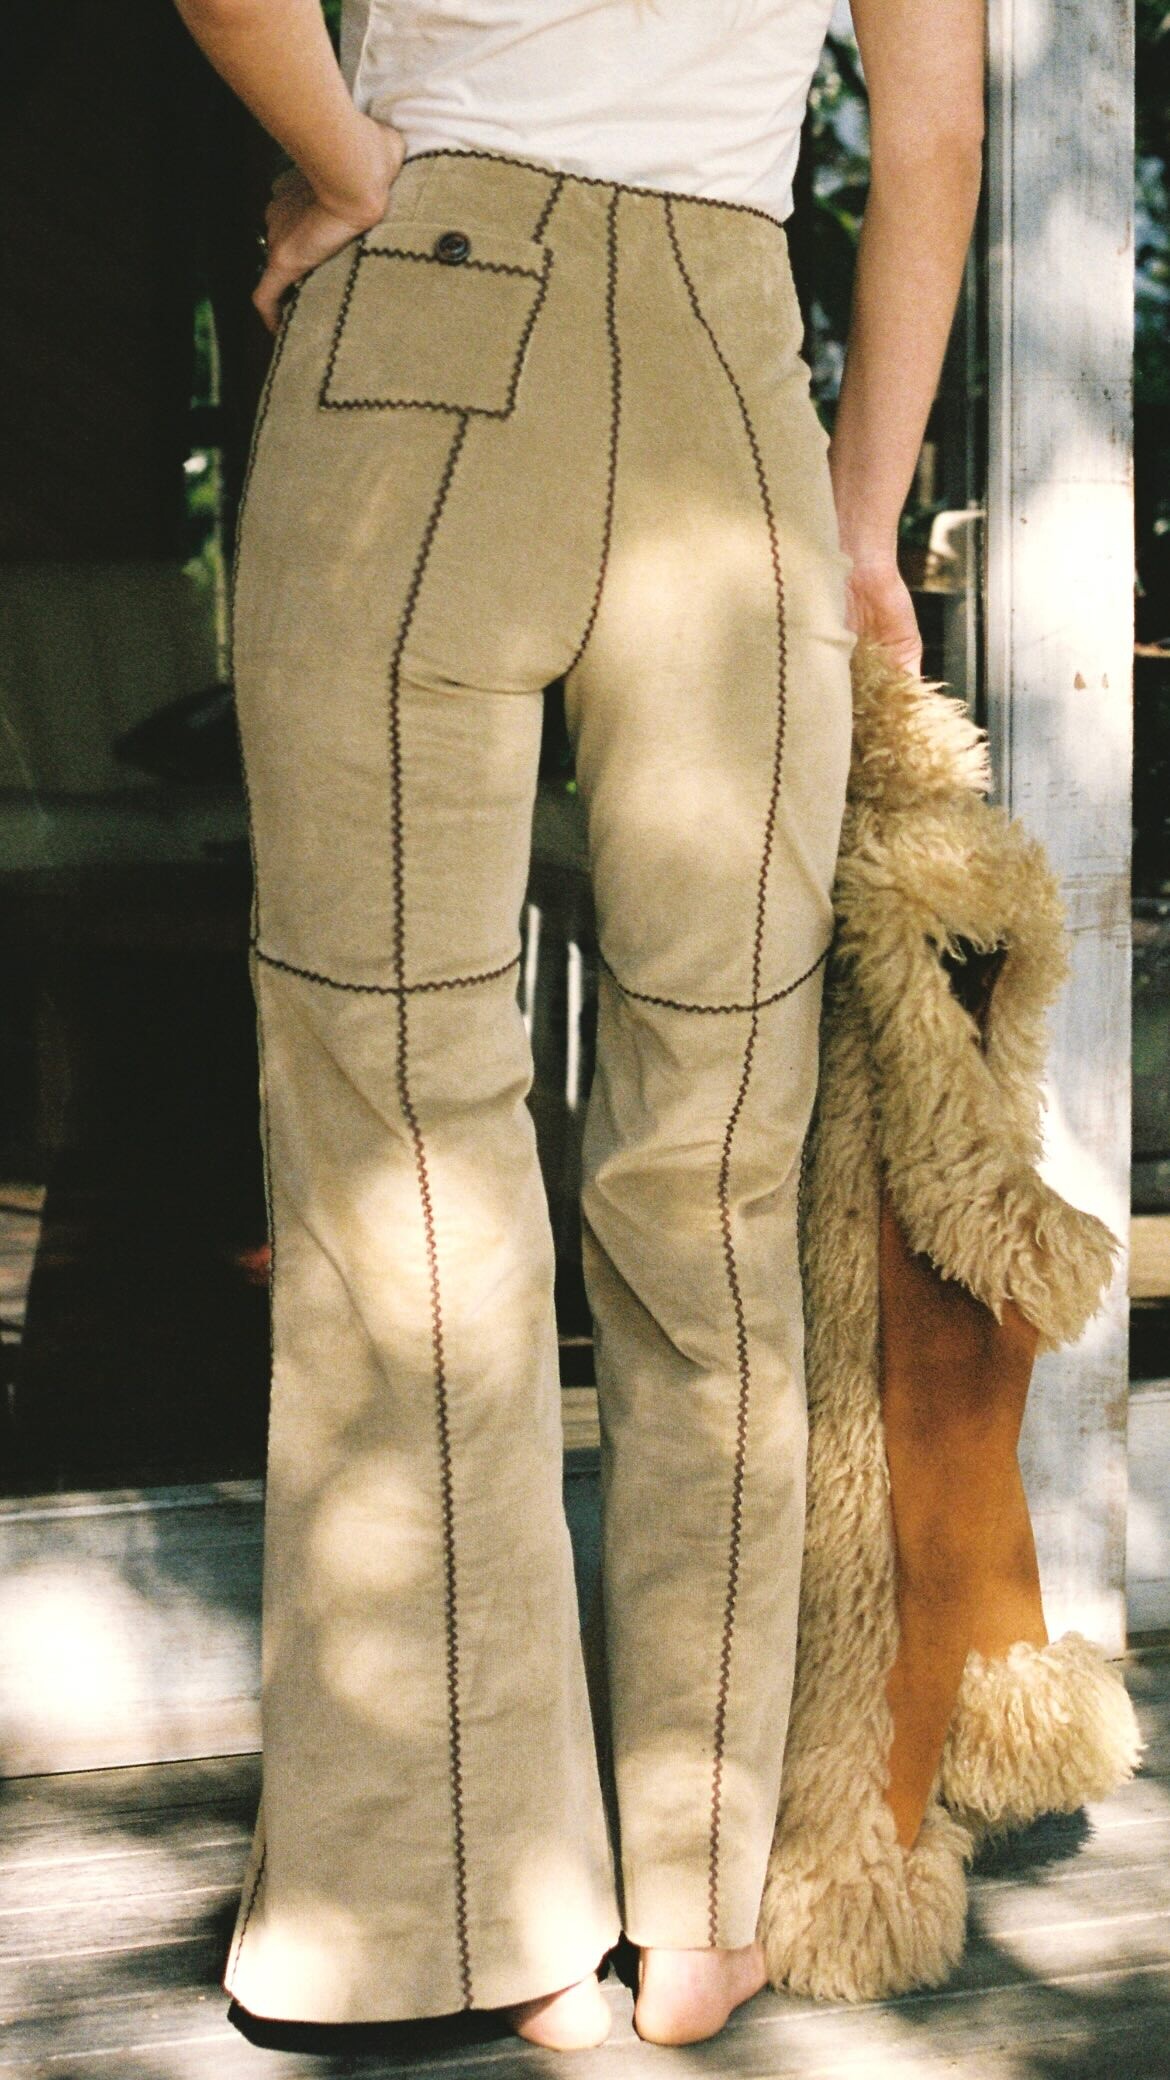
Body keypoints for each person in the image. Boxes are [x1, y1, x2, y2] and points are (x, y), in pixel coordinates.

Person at [173, 0, 985, 2051]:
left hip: (419, 333)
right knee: (712, 1160)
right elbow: (936, 138)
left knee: (397, 1126)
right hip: (728, 395)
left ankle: (448, 1905)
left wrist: (349, 164)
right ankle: (701, 1899)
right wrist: (860, 520)